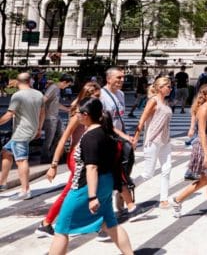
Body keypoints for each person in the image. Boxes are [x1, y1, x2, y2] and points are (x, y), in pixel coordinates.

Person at [48, 98, 134, 255]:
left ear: (86, 115)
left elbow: (92, 167)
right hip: (106, 183)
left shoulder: (90, 137)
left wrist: (92, 197)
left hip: (86, 187)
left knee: (61, 228)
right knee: (110, 223)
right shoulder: (106, 131)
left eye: (78, 112)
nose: (76, 115)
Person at [39, 82, 102, 237]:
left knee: (87, 189)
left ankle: (82, 221)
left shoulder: (91, 113)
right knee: (70, 192)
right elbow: (64, 139)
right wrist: (53, 165)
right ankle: (47, 223)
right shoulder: (78, 115)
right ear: (88, 96)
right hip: (77, 157)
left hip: (86, 155)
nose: (99, 100)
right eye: (97, 96)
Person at [170, 83, 207, 222]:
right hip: (203, 147)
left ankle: (177, 200)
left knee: (204, 180)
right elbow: (201, 132)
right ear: (203, 95)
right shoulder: (203, 109)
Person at [99, 67, 138, 216]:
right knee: (114, 172)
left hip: (120, 139)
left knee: (124, 168)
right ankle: (117, 205)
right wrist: (124, 136)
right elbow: (105, 123)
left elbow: (120, 119)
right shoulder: (101, 96)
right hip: (108, 139)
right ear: (108, 79)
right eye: (118, 78)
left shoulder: (121, 94)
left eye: (123, 77)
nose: (122, 80)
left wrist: (127, 136)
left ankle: (121, 202)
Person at [0, 72, 44, 200]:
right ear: (30, 81)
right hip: (31, 130)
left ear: (17, 82)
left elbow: (9, 115)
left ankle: (25, 190)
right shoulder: (39, 94)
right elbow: (42, 113)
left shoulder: (17, 96)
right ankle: (2, 184)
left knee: (21, 160)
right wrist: (39, 128)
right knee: (6, 152)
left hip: (21, 132)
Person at [131, 76, 173, 208]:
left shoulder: (165, 102)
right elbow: (142, 119)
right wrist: (136, 137)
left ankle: (163, 199)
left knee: (167, 169)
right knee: (148, 173)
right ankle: (126, 188)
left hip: (165, 140)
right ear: (160, 88)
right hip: (153, 140)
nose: (171, 89)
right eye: (168, 86)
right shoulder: (153, 101)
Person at [42, 76, 73, 165]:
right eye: (68, 85)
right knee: (49, 138)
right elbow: (44, 99)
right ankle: (45, 157)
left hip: (56, 116)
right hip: (50, 117)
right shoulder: (53, 88)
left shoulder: (57, 90)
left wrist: (67, 109)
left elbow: (56, 104)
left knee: (62, 134)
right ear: (64, 82)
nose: (67, 87)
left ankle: (54, 154)